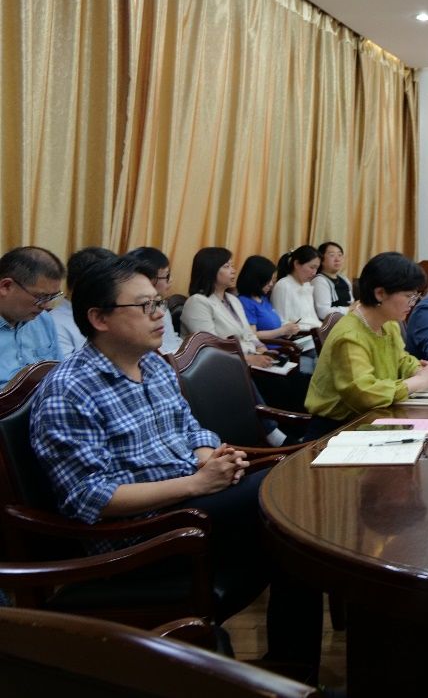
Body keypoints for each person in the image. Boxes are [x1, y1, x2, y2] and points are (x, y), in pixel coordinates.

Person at [28, 255, 321, 678]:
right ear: (99, 317)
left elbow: (191, 429)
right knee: (286, 497)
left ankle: (294, 675)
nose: (159, 315)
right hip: (143, 534)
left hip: (191, 502)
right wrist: (197, 484)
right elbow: (91, 498)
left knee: (295, 535)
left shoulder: (153, 365)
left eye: (159, 303)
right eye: (144, 306)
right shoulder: (69, 390)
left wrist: (209, 459)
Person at [304, 253, 428, 440]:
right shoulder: (349, 335)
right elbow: (364, 393)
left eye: (415, 296)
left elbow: (401, 359)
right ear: (380, 293)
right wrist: (420, 381)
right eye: (408, 296)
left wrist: (421, 370)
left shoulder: (388, 323)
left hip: (375, 419)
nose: (412, 303)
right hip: (337, 431)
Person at [180, 247, 275, 369]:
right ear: (210, 270)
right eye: (227, 266)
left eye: (232, 266)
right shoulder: (197, 302)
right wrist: (248, 359)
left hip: (246, 360)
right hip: (219, 367)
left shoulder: (233, 299)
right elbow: (211, 346)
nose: (233, 271)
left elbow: (248, 333)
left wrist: (263, 349)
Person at [0, 246, 64, 386]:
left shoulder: (44, 320)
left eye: (52, 297)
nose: (46, 306)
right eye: (41, 297)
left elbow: (60, 373)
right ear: (6, 286)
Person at [50, 246, 114, 358]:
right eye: (109, 284)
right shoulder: (55, 323)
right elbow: (64, 367)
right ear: (82, 284)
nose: (114, 290)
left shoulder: (112, 315)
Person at [125, 246, 183, 354]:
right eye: (167, 276)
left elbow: (171, 339)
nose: (171, 280)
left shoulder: (161, 303)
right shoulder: (135, 308)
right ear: (150, 279)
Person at [236, 255, 303, 342]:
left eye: (272, 280)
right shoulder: (245, 301)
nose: (271, 284)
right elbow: (252, 335)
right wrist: (282, 331)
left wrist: (288, 331)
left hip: (281, 344)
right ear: (256, 279)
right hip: (267, 348)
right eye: (267, 281)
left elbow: (275, 329)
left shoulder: (263, 298)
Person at [271, 245, 322, 331]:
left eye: (316, 268)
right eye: (311, 267)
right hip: (299, 335)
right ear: (297, 264)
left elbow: (312, 318)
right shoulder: (284, 285)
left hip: (314, 332)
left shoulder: (306, 285)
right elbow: (282, 321)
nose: (314, 272)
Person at [312, 240, 354, 320]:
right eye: (332, 255)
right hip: (330, 324)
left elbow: (351, 303)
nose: (337, 259)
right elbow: (323, 313)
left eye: (340, 255)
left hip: (347, 320)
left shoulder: (344, 279)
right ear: (321, 259)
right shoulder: (319, 281)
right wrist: (349, 309)